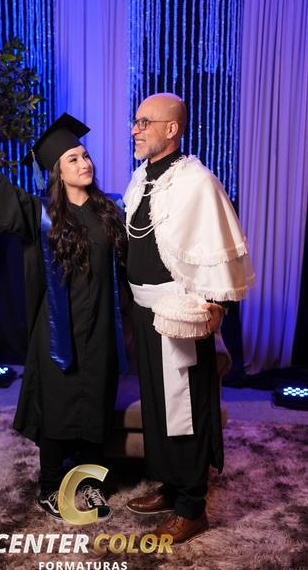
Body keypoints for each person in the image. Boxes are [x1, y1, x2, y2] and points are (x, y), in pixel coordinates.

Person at [0, 110, 127, 521]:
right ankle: (51, 487)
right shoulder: (42, 215)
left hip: (100, 327)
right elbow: (4, 193)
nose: (84, 163)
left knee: (96, 408)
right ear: (57, 171)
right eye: (73, 159)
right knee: (57, 408)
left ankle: (89, 484)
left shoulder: (111, 211)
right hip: (56, 331)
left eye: (85, 156)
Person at [124, 93, 254, 542]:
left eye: (145, 122)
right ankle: (171, 484)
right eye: (135, 121)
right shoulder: (142, 177)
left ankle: (192, 506)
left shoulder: (197, 182)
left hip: (181, 314)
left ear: (172, 129)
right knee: (159, 406)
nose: (135, 129)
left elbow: (219, 248)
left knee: (187, 409)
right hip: (145, 311)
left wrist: (217, 307)